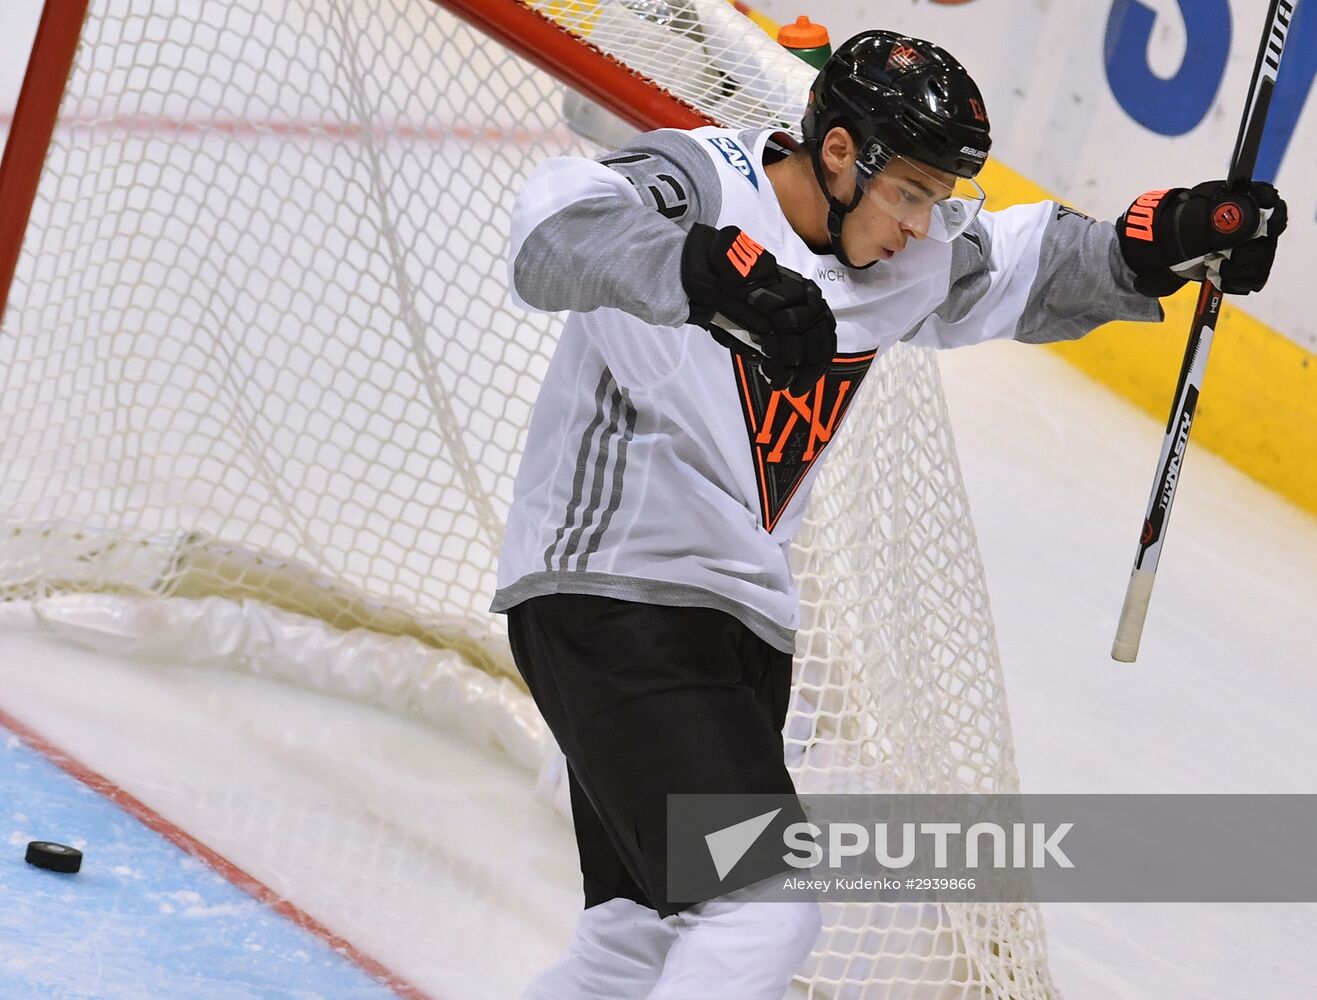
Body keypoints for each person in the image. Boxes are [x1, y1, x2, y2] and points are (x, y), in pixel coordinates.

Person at [491, 29, 1287, 999]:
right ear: (837, 153)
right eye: (911, 191)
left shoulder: (908, 254)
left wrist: (1167, 241)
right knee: (759, 911)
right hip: (612, 597)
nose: (922, 223)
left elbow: (1029, 266)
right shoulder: (708, 180)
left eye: (939, 199)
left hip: (734, 627)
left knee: (638, 944)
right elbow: (554, 228)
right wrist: (711, 275)